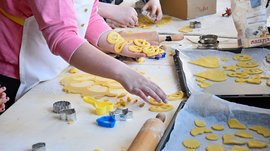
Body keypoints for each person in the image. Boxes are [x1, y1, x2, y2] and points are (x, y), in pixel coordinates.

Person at [0, 0, 167, 112]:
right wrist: (122, 72)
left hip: (50, 64)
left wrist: (121, 46)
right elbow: (63, 37)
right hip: (17, 72)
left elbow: (87, 13)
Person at [98, 0, 163, 28]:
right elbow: (89, 6)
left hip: (135, 20)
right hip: (103, 22)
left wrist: (154, 1)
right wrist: (104, 15)